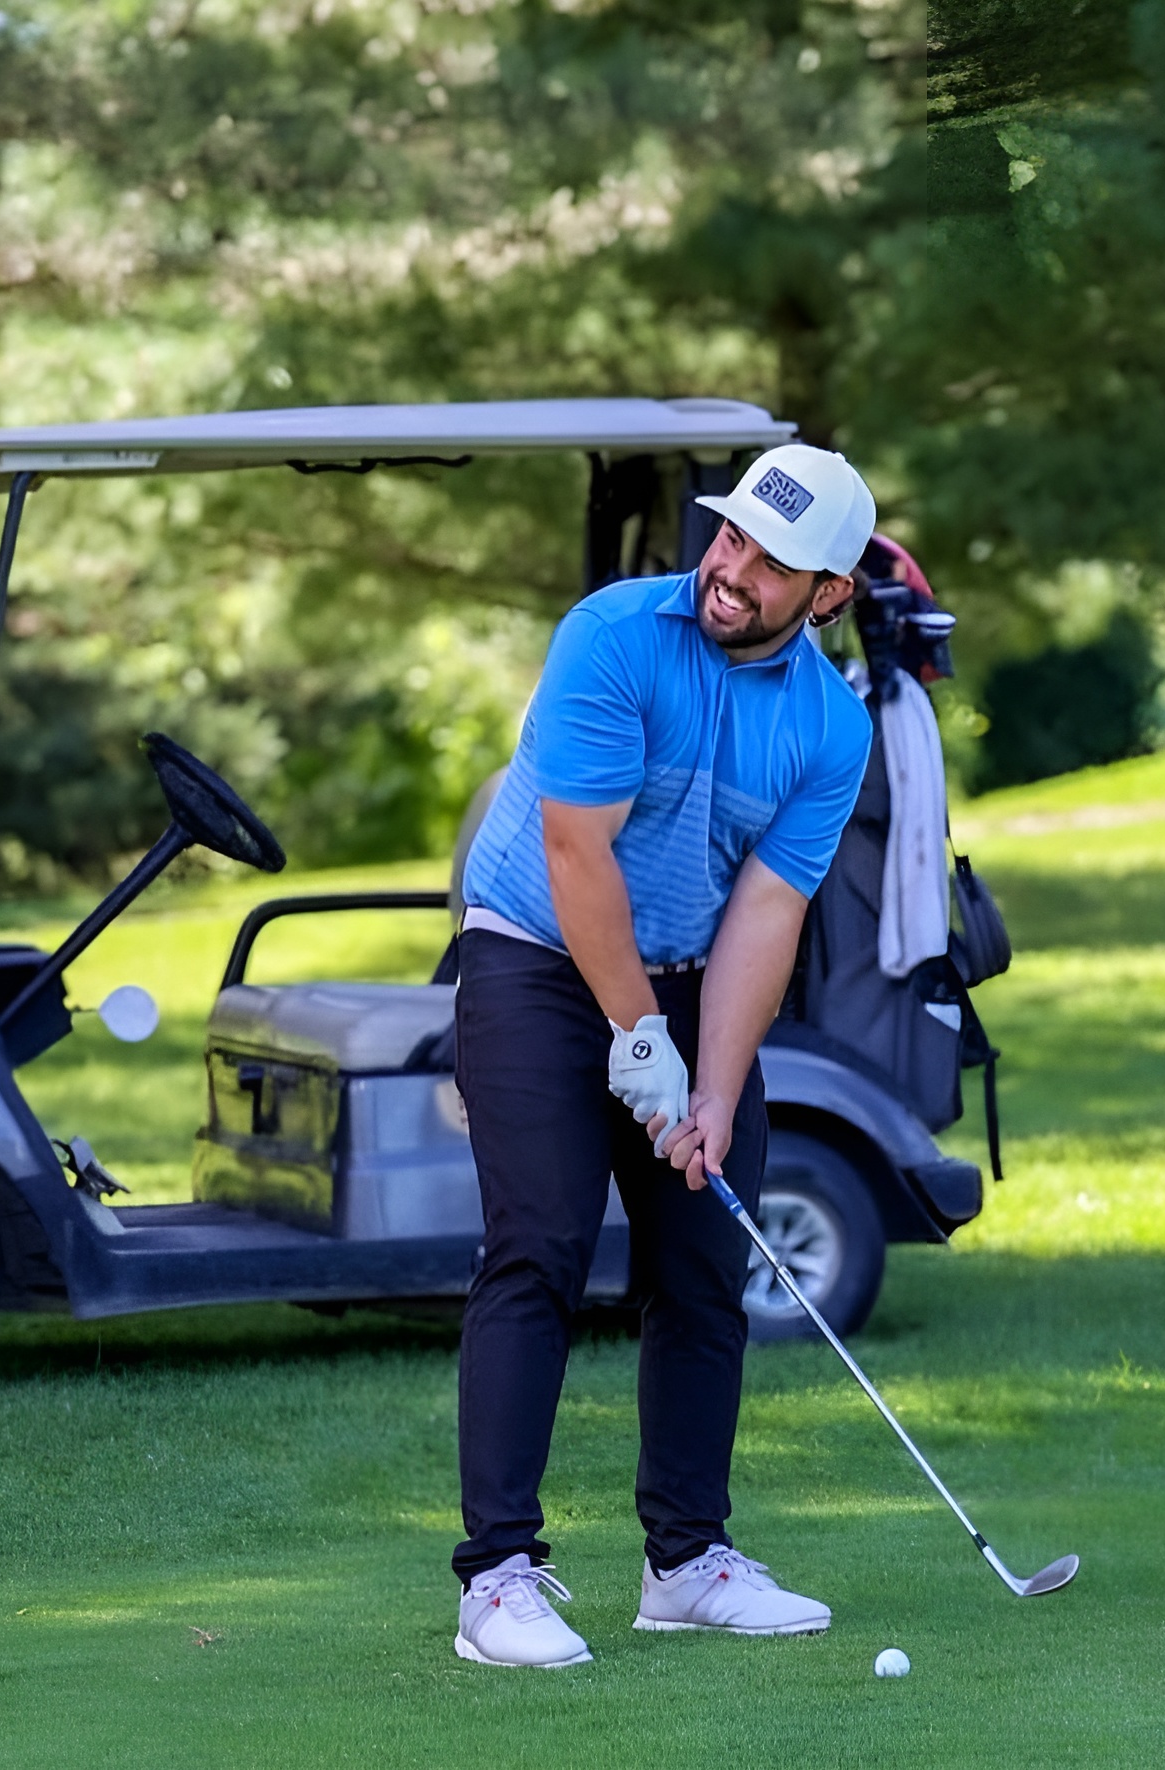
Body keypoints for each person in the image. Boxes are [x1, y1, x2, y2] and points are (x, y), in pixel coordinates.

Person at [446, 443, 877, 1666]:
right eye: (731, 535)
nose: (729, 567)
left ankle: (685, 1563)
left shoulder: (828, 728)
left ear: (828, 594)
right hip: (529, 951)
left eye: (769, 558)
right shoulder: (615, 634)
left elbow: (767, 912)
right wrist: (643, 1043)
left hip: (689, 970)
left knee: (703, 1252)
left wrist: (716, 1089)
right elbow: (577, 860)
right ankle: (496, 1581)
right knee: (539, 1242)